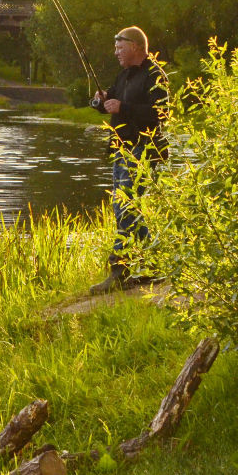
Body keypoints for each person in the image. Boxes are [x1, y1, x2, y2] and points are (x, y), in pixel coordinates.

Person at [88, 26, 168, 295]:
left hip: (144, 152)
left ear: (135, 46)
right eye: (115, 48)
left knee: (125, 208)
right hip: (121, 151)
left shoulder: (155, 75)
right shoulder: (123, 76)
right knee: (130, 210)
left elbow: (161, 114)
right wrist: (100, 102)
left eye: (120, 48)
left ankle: (119, 271)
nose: (116, 53)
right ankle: (153, 265)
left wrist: (124, 108)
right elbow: (108, 100)